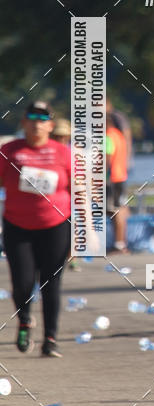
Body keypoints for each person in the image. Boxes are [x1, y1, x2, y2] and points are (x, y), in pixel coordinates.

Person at [0, 101, 71, 357]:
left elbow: (79, 191)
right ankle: (25, 320)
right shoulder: (9, 151)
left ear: (50, 125)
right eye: (31, 117)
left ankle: (50, 338)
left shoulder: (63, 153)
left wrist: (83, 231)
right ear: (23, 123)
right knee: (22, 283)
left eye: (42, 118)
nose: (36, 123)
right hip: (17, 227)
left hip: (55, 226)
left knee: (51, 284)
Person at [106, 113, 129, 253]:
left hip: (112, 178)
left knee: (114, 211)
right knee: (120, 209)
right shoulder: (118, 135)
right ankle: (120, 243)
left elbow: (106, 159)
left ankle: (119, 244)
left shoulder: (108, 136)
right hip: (121, 176)